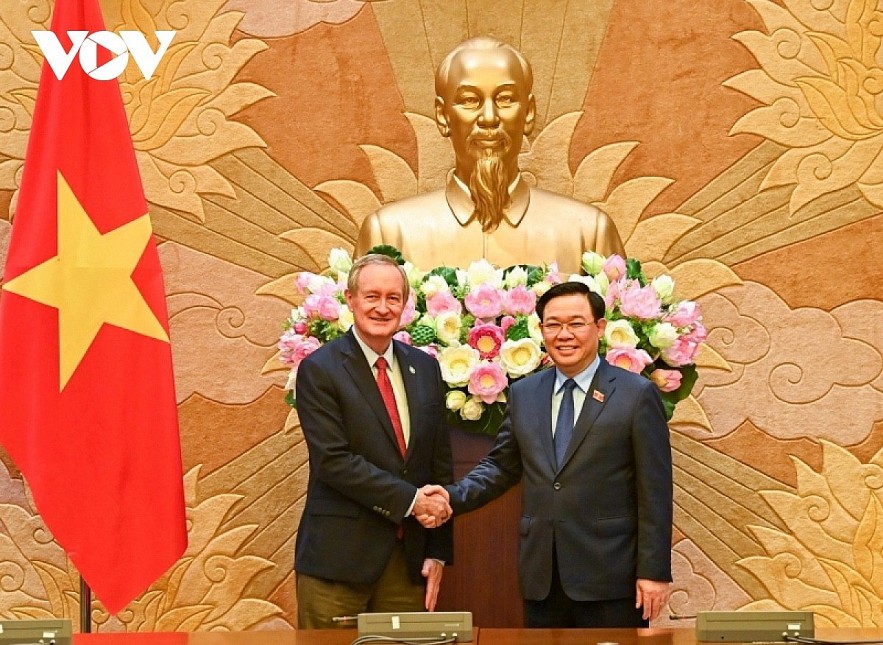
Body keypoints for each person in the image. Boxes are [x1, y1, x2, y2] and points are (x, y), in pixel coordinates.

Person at [438, 281, 672, 627]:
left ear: (600, 328)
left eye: (576, 323)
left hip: (611, 577)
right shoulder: (524, 393)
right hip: (542, 577)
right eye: (553, 324)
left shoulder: (635, 395)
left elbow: (655, 491)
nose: (564, 334)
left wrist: (653, 572)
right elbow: (501, 467)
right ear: (541, 329)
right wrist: (448, 498)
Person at [355, 36, 625, 274]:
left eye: (505, 99)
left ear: (528, 113)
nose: (488, 118)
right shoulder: (389, 233)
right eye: (469, 100)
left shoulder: (589, 234)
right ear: (442, 116)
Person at [294, 254, 454, 628]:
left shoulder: (425, 367)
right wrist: (412, 501)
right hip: (338, 562)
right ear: (350, 299)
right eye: (372, 297)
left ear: (405, 304)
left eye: (393, 298)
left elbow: (439, 464)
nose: (382, 308)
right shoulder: (320, 369)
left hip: (408, 561)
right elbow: (333, 462)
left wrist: (439, 550)